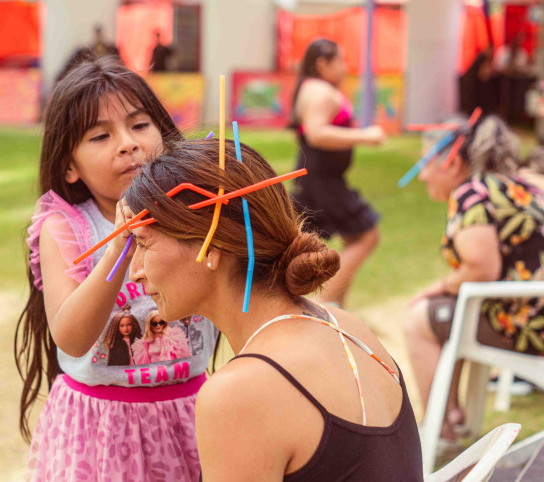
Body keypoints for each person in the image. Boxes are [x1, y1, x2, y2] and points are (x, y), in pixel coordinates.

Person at [124, 139, 423, 481]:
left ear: (211, 245)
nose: (135, 272)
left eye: (143, 244)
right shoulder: (346, 324)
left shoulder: (240, 393)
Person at [15, 56, 216, 481]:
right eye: (101, 136)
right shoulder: (66, 226)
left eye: (139, 125)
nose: (127, 144)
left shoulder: (202, 215)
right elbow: (71, 338)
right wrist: (121, 244)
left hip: (193, 415)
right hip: (100, 431)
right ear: (69, 166)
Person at [404, 115, 544, 442]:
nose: (422, 174)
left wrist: (436, 288)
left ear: (453, 163)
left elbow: (482, 269)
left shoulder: (472, 194)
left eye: (425, 163)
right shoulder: (514, 184)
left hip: (535, 325)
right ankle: (451, 412)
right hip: (540, 311)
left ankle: (441, 429)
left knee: (419, 320)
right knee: (447, 311)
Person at [291, 39, 385, 308]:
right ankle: (326, 303)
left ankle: (336, 306)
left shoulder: (310, 87)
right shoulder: (320, 92)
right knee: (367, 235)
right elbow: (316, 133)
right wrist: (365, 136)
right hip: (323, 181)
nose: (345, 68)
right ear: (323, 64)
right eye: (340, 62)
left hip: (319, 178)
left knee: (353, 236)